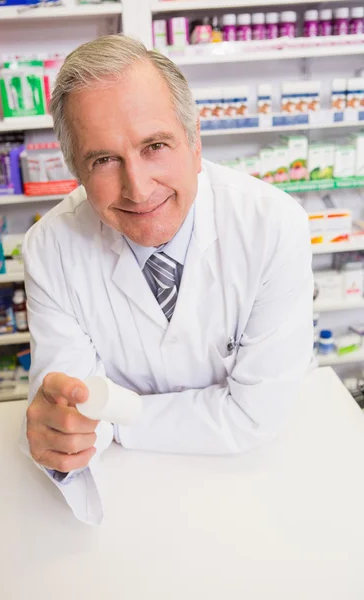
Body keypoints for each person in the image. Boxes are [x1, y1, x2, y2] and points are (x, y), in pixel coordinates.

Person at [21, 35, 314, 525]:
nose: (138, 188)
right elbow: (72, 413)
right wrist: (63, 432)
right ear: (76, 170)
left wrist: (114, 421)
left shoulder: (273, 225)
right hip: (128, 498)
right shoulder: (50, 247)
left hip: (258, 486)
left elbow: (255, 416)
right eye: (104, 160)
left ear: (195, 141)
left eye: (154, 146)